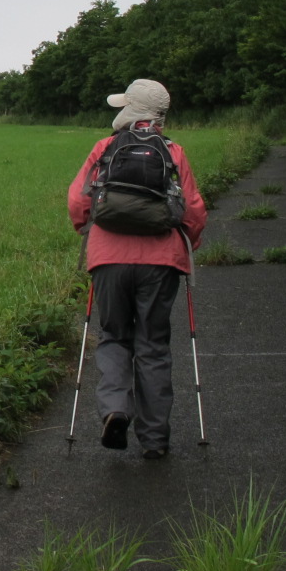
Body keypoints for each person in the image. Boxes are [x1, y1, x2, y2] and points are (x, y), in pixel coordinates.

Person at [66, 79, 207, 459]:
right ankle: (155, 438)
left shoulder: (106, 148)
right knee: (153, 345)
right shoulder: (173, 152)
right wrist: (188, 245)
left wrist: (88, 230)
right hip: (161, 264)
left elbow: (79, 200)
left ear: (134, 110)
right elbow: (192, 209)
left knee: (113, 336)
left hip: (108, 258)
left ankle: (115, 409)